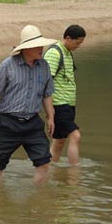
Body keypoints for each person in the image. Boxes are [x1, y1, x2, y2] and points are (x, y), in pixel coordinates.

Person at [0, 25, 57, 184]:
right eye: (37, 46)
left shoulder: (44, 66)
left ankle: (39, 201)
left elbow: (47, 94)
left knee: (44, 162)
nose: (41, 49)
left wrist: (51, 117)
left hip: (33, 122)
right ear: (26, 48)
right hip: (8, 122)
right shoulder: (7, 65)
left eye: (41, 45)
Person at [43, 24, 86, 165]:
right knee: (76, 135)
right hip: (58, 104)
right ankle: (74, 175)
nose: (78, 46)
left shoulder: (67, 52)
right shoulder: (55, 53)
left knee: (59, 141)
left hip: (68, 105)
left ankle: (49, 170)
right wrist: (49, 111)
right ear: (68, 38)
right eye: (77, 42)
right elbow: (45, 80)